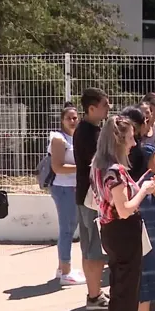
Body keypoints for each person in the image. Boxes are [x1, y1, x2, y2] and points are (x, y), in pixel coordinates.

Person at [90, 116, 155, 311]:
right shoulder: (115, 170)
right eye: (130, 137)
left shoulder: (97, 165)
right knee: (127, 293)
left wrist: (137, 186)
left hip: (110, 230)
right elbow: (126, 208)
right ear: (119, 139)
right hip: (124, 231)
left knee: (119, 290)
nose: (133, 142)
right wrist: (144, 190)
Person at [123, 107, 155, 311]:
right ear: (142, 126)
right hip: (148, 210)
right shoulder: (149, 151)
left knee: (129, 266)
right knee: (147, 265)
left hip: (124, 209)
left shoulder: (113, 155)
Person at [73, 88, 112, 310]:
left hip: (85, 195)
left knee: (89, 247)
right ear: (91, 108)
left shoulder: (86, 130)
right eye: (105, 105)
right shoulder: (89, 133)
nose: (108, 108)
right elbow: (98, 164)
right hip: (92, 197)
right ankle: (95, 296)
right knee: (95, 248)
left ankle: (93, 293)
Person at [48, 104, 86, 285]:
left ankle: (61, 267)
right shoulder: (58, 139)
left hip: (73, 187)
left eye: (75, 117)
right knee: (67, 229)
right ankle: (66, 272)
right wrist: (84, 169)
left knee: (70, 228)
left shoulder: (76, 138)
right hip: (64, 188)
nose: (73, 121)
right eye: (69, 118)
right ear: (62, 120)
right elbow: (57, 167)